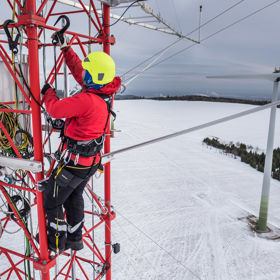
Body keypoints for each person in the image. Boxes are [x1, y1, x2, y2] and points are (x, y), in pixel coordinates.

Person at [40, 34, 121, 252]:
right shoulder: (104, 90)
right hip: (89, 162)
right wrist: (67, 49)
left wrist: (48, 92)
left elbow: (55, 109)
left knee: (51, 201)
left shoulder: (87, 100)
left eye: (88, 72)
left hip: (74, 164)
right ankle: (75, 238)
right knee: (73, 195)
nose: (82, 73)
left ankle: (56, 242)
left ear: (94, 77)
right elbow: (81, 72)